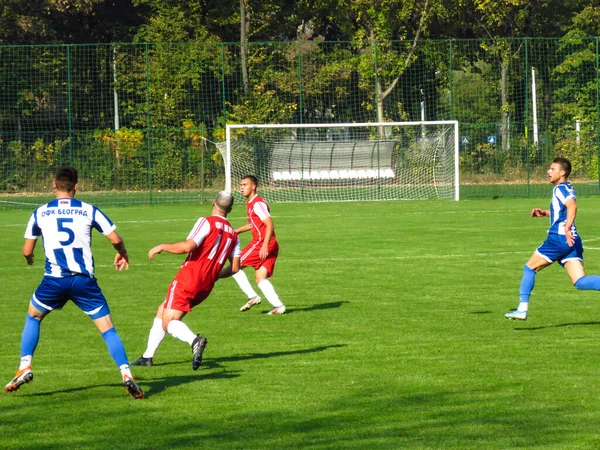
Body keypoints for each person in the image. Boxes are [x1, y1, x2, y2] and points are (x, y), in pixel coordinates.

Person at [4, 167, 143, 399]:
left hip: (54, 281)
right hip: (84, 282)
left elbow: (27, 250)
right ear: (76, 187)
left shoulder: (40, 212)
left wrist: (29, 258)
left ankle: (25, 365)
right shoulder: (89, 210)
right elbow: (115, 239)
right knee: (108, 329)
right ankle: (126, 374)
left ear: (53, 185)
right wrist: (123, 252)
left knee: (33, 316)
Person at [131, 191, 240, 368]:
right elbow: (235, 268)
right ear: (230, 209)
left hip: (189, 278)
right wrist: (215, 274)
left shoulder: (206, 222)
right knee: (163, 309)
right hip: (206, 285)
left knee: (169, 322)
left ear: (213, 203)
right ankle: (147, 356)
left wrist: (162, 246)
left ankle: (194, 340)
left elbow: (188, 246)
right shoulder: (234, 235)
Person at [505, 157, 600, 321]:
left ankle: (521, 309)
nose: (548, 172)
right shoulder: (567, 187)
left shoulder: (559, 189)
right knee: (580, 281)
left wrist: (568, 228)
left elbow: (572, 206)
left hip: (559, 239)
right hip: (572, 241)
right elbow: (563, 211)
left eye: (552, 169)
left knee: (530, 268)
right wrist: (545, 213)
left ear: (562, 173)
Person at [219, 175, 286, 315]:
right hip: (271, 244)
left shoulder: (257, 204)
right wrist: (235, 231)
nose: (241, 188)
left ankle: (250, 295)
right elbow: (254, 224)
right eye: (241, 185)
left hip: (262, 243)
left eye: (245, 185)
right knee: (260, 278)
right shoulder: (251, 203)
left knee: (234, 266)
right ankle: (278, 306)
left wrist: (264, 245)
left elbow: (269, 224)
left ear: (253, 186)